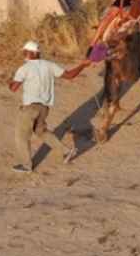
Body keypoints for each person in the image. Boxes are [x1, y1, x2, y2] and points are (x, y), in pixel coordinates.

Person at [8, 40, 85, 172]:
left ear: (32, 53)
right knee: (41, 132)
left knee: (21, 136)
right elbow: (70, 75)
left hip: (30, 108)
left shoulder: (24, 68)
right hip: (44, 108)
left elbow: (13, 88)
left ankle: (26, 166)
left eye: (25, 52)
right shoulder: (49, 65)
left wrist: (10, 81)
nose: (24, 54)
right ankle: (66, 151)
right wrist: (83, 65)